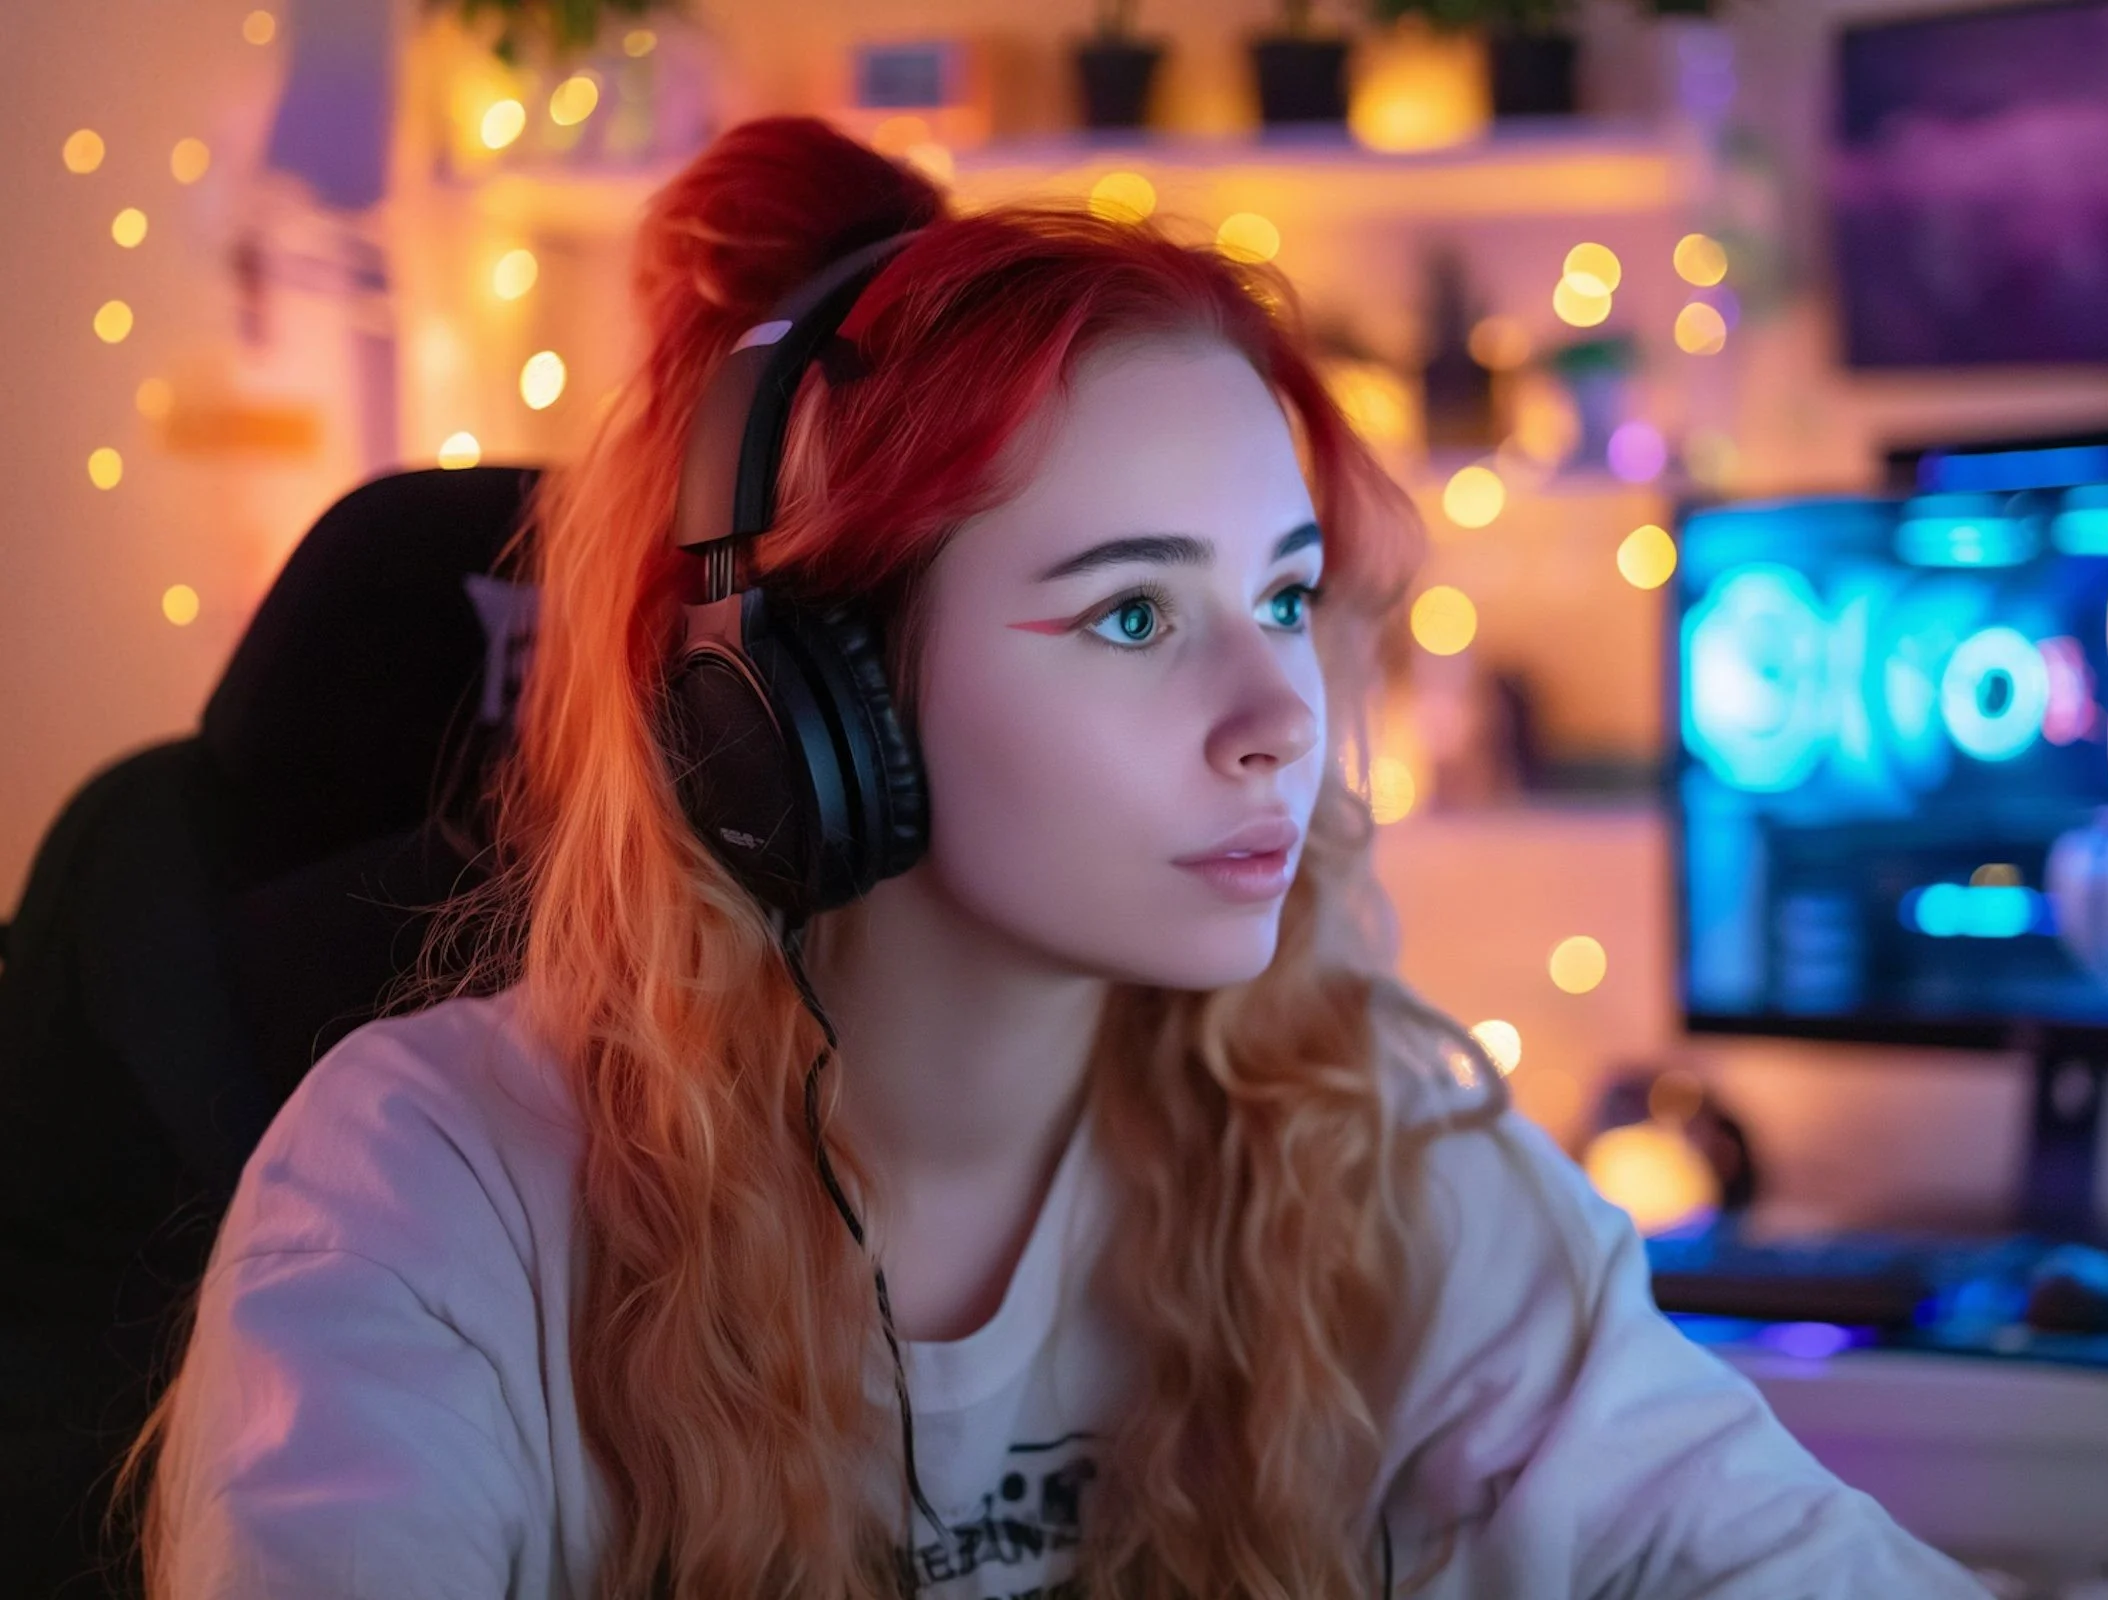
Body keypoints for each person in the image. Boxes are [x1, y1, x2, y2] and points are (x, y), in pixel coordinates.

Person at [124, 117, 1988, 1600]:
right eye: (1129, 616)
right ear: (794, 711)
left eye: (1283, 594)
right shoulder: (432, 1201)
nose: (1283, 711)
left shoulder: (1373, 1151)